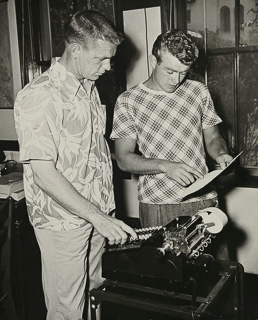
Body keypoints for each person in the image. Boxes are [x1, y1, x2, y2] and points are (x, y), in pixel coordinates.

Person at [14, 10, 137, 320]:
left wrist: (102, 214)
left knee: (94, 293)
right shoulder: (40, 95)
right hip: (63, 223)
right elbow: (43, 173)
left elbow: (90, 153)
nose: (108, 67)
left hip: (96, 212)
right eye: (101, 59)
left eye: (110, 58)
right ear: (75, 50)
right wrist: (97, 216)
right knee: (67, 309)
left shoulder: (88, 87)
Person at [110, 29, 233, 259]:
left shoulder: (198, 91)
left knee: (217, 275)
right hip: (158, 204)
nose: (176, 80)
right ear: (152, 61)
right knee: (168, 280)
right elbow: (124, 159)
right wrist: (166, 166)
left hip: (203, 199)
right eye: (169, 71)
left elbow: (214, 138)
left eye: (183, 73)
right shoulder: (129, 101)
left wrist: (221, 154)